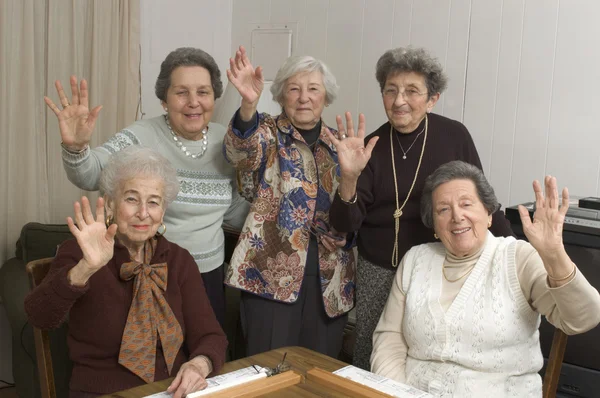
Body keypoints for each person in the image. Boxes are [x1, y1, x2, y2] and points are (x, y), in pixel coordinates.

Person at [327, 47, 515, 369]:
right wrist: (348, 177)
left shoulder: (454, 136)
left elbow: (482, 202)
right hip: (380, 271)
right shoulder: (369, 146)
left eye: (412, 91)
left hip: (441, 269)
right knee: (375, 355)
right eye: (391, 90)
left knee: (431, 357)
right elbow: (345, 224)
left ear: (432, 99)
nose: (399, 100)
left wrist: (514, 257)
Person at [44, 47, 250, 327]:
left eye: (203, 92)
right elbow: (91, 175)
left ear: (214, 97)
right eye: (181, 92)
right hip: (154, 271)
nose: (193, 102)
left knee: (207, 358)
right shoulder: (142, 134)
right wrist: (76, 147)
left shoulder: (227, 141)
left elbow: (234, 208)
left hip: (209, 277)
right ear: (164, 100)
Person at [369, 160, 600, 396]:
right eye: (443, 209)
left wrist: (554, 255)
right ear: (435, 226)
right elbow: (390, 340)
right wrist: (395, 393)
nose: (457, 216)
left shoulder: (518, 258)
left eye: (466, 204)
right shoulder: (416, 260)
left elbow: (584, 319)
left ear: (489, 214)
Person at [25, 147, 227, 398]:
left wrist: (198, 365)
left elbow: (211, 335)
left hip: (174, 391)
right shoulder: (80, 253)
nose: (143, 213)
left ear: (163, 211)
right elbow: (39, 316)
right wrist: (85, 269)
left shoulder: (179, 260)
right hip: (103, 392)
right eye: (131, 199)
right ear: (110, 204)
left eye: (153, 202)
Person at [222, 46, 356, 358]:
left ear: (326, 96)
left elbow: (357, 207)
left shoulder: (342, 144)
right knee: (267, 370)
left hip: (329, 281)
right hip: (267, 279)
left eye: (313, 89)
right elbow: (239, 152)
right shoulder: (266, 132)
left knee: (318, 374)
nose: (303, 97)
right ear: (281, 95)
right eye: (294, 89)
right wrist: (247, 106)